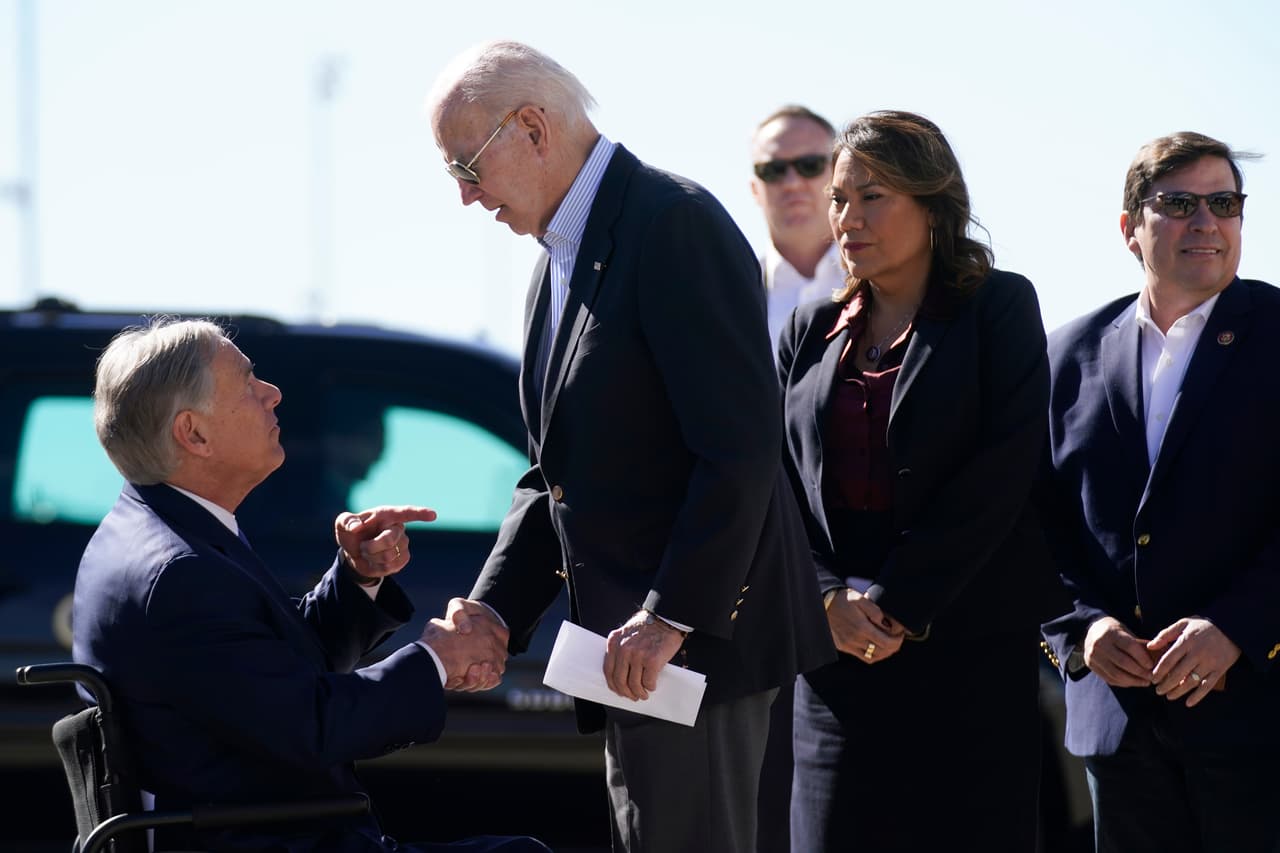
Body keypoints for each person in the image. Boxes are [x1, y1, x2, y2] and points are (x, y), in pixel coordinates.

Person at [425, 41, 834, 853]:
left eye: (466, 166)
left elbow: (739, 449)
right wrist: (492, 610)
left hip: (698, 659)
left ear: (533, 128)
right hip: (635, 664)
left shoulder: (672, 222)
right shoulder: (559, 258)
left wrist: (670, 614)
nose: (467, 197)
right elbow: (558, 473)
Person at [73, 318, 547, 853]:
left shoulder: (152, 531)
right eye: (248, 382)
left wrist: (356, 578)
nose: (273, 394)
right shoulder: (180, 569)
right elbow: (312, 726)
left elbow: (266, 679)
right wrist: (438, 658)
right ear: (194, 433)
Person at [777, 110, 1055, 851]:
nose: (848, 218)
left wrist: (900, 602)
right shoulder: (808, 328)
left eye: (873, 196)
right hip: (835, 665)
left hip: (969, 658)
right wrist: (827, 595)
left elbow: (1004, 471)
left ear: (933, 206)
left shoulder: (999, 307)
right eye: (839, 198)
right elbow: (774, 485)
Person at [1040, 132, 1280, 853]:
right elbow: (1033, 525)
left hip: (1260, 720)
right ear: (1129, 229)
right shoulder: (1066, 353)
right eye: (1178, 203)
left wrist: (1235, 626)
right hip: (1121, 727)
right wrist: (1082, 629)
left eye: (1224, 203)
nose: (1206, 221)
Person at [750, 105, 844, 351]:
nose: (792, 183)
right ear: (754, 189)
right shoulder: (729, 298)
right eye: (773, 170)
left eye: (810, 165)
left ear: (840, 177)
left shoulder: (887, 286)